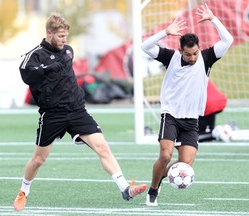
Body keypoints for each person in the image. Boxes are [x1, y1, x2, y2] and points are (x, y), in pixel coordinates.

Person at [13, 12, 147, 212]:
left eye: (66, 36)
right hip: (53, 114)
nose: (64, 40)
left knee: (103, 147)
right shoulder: (35, 55)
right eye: (60, 36)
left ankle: (125, 188)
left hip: (77, 111)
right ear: (49, 32)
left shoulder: (68, 51)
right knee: (39, 159)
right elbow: (26, 74)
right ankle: (24, 191)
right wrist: (48, 68)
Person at [141, 3, 233, 206]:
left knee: (185, 165)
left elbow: (228, 40)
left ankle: (162, 177)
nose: (192, 58)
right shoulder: (170, 57)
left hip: (192, 119)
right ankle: (153, 190)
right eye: (188, 54)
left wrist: (213, 19)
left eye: (195, 53)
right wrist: (165, 32)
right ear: (180, 50)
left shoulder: (207, 57)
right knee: (165, 155)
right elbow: (145, 46)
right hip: (171, 115)